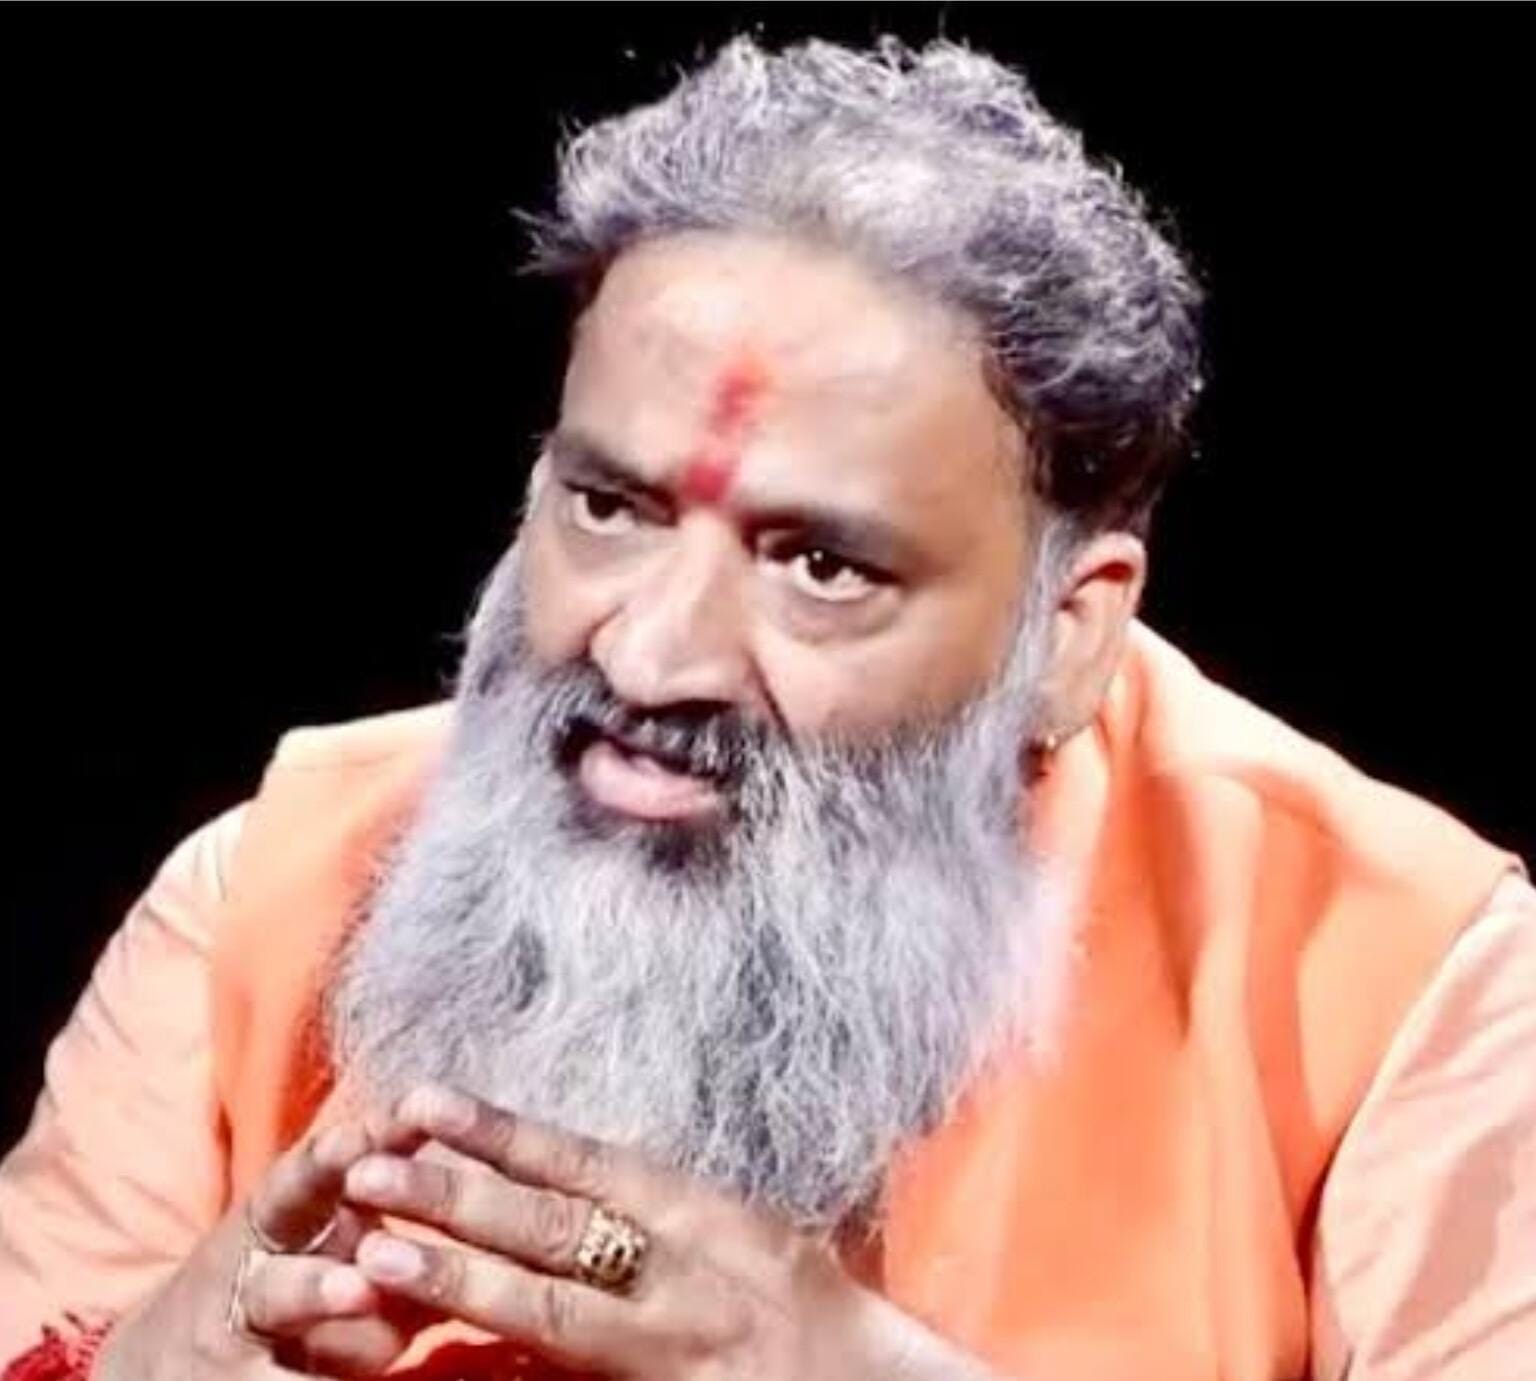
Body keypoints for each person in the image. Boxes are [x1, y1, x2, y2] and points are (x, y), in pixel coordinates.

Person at [2, 35, 1530, 1381]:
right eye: (609, 505)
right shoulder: (262, 895)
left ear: (1067, 634)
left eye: (820, 564)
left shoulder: (1396, 976)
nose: (651, 656)